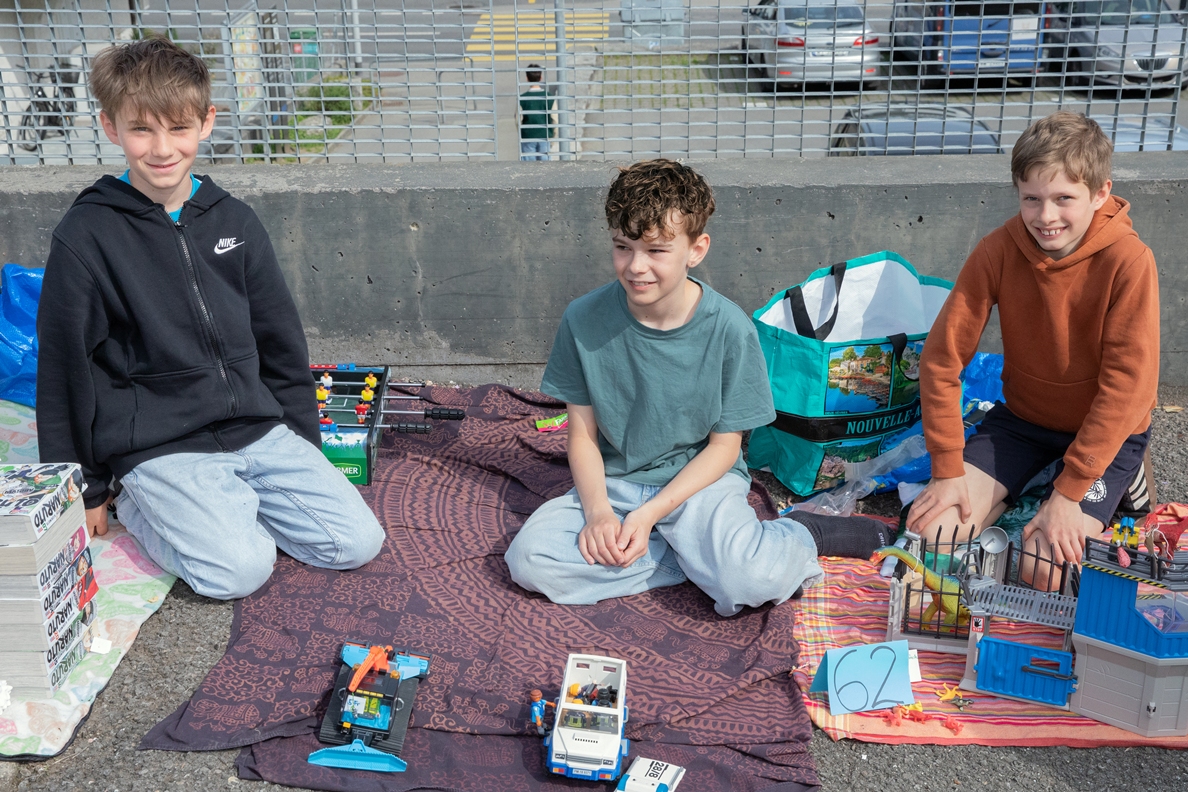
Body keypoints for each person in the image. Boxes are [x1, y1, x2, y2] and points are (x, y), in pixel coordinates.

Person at [36, 37, 384, 601]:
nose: (162, 148)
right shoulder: (86, 235)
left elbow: (280, 341)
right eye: (141, 129)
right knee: (239, 572)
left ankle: (224, 507)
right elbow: (63, 369)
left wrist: (304, 444)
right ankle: (139, 504)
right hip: (160, 444)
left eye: (178, 128)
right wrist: (87, 487)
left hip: (256, 427)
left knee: (356, 542)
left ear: (206, 122)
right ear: (110, 127)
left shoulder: (234, 220)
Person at [504, 159, 893, 617]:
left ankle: (803, 534)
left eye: (656, 250)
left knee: (752, 580)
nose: (636, 267)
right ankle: (697, 561)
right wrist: (598, 514)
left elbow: (725, 449)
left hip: (698, 485)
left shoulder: (730, 329)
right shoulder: (582, 319)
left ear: (696, 249)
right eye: (623, 247)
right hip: (615, 483)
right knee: (530, 561)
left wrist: (649, 516)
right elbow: (582, 436)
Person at [907, 111, 1159, 589]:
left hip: (1105, 434)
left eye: (1064, 198)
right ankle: (1023, 487)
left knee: (1043, 570)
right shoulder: (998, 250)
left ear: (1100, 193)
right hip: (1024, 422)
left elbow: (1129, 389)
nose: (1046, 217)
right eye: (1032, 199)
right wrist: (947, 468)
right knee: (932, 536)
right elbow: (941, 359)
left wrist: (1069, 494)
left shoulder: (1129, 261)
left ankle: (1118, 481)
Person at [518, 64, 554, 161]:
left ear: (527, 78)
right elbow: (554, 118)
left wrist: (521, 133)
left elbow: (518, 119)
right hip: (545, 135)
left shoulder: (522, 98)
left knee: (529, 165)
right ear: (541, 77)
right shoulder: (549, 97)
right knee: (545, 165)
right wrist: (553, 135)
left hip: (528, 136)